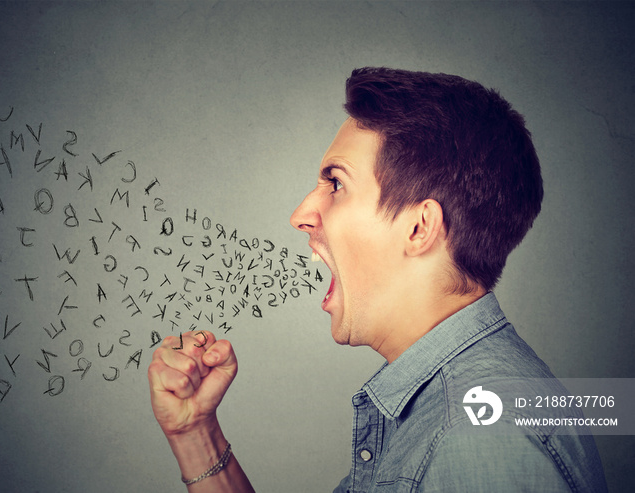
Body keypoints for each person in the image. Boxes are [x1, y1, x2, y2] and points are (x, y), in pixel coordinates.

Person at [147, 67, 607, 492]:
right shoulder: (460, 408)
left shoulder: (474, 438)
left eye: (335, 183)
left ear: (419, 228)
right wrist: (195, 433)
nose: (302, 215)